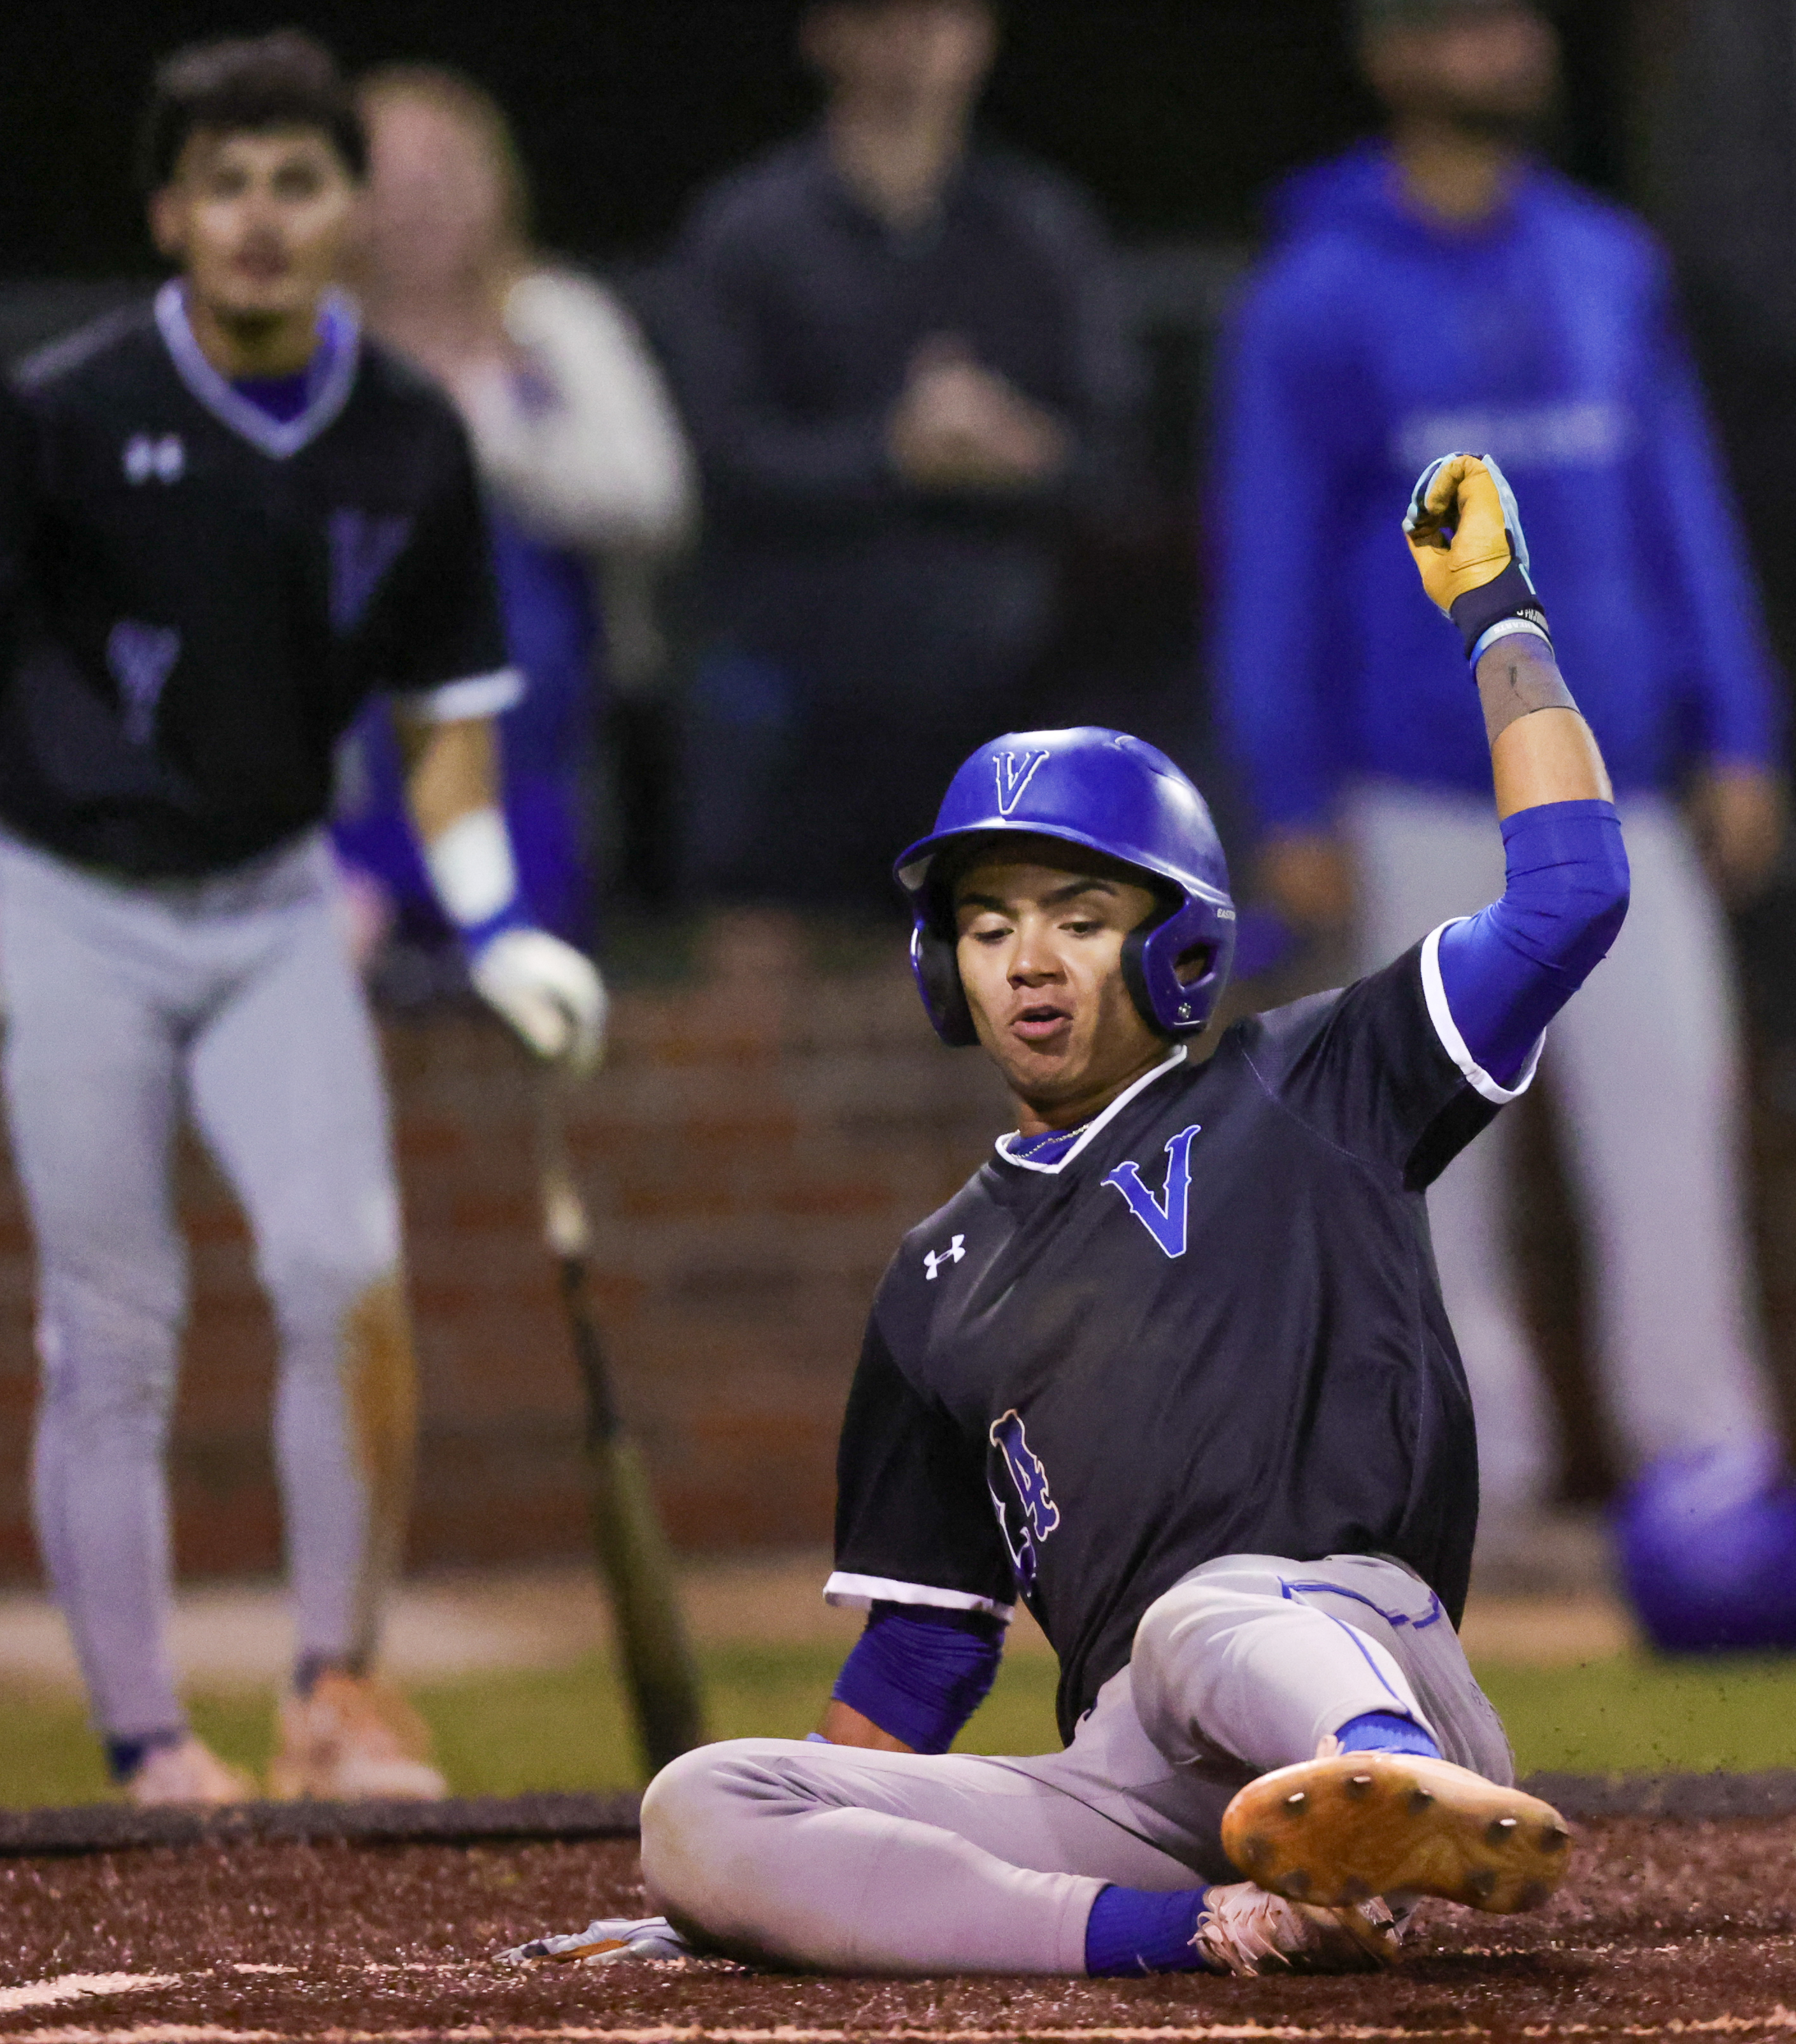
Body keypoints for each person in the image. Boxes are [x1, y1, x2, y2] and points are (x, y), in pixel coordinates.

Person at [502, 455, 1620, 1976]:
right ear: (937, 970)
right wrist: (748, 1889)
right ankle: (1210, 1927)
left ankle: (1388, 1798)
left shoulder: (1311, 1083)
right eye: (985, 924)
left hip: (1354, 1647)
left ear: (1176, 953)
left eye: (1077, 920)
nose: (1025, 959)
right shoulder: (933, 1280)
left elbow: (1569, 898)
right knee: (701, 1803)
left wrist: (1499, 612)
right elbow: (921, 1654)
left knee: (1196, 1614)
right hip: (1133, 1779)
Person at [0, 32, 607, 1803]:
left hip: (273, 901)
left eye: (297, 180)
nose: (261, 218)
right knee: (112, 1324)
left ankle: (337, 1687)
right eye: (228, 183)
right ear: (172, 209)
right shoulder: (62, 409)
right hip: (70, 900)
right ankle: (146, 1740)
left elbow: (447, 732)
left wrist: (493, 924)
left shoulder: (410, 434)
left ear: (346, 205)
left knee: (346, 1273)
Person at [1212, 0, 1788, 1567]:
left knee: (1670, 1126)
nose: (1500, 45)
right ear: (1389, 52)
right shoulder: (1314, 292)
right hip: (1416, 784)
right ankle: (1464, 1489)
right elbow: (1270, 556)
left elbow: (1682, 507)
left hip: (1617, 783)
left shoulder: (1610, 264)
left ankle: (1710, 1472)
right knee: (1427, 1167)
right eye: (1458, 22)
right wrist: (1289, 793)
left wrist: (1740, 724)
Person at [660, 0, 1137, 923]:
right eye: (884, 18)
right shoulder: (746, 232)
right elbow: (718, 460)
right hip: (792, 705)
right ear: (824, 34)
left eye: (943, 16)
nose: (916, 43)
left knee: (1008, 1005)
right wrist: (892, 453)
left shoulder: (1042, 229)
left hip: (1003, 698)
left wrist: (1015, 449)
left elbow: (1112, 458)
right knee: (765, 1009)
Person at [334, 64, 696, 962]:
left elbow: (652, 499)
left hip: (545, 775)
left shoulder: (555, 322)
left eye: (442, 179)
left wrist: (494, 433)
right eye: (390, 183)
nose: (418, 208)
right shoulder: (305, 346)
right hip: (348, 784)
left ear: (495, 187)